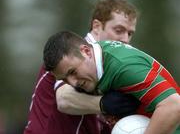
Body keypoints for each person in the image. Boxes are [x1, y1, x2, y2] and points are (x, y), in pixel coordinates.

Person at [24, 0, 139, 134]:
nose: (125, 39)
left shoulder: (108, 66)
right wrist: (105, 104)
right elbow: (64, 99)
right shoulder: (69, 55)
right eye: (119, 30)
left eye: (130, 33)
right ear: (96, 26)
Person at [43, 31, 180, 134]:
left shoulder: (124, 68)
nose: (73, 83)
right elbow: (64, 101)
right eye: (65, 80)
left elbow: (173, 106)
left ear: (86, 52)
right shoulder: (96, 63)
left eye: (72, 72)